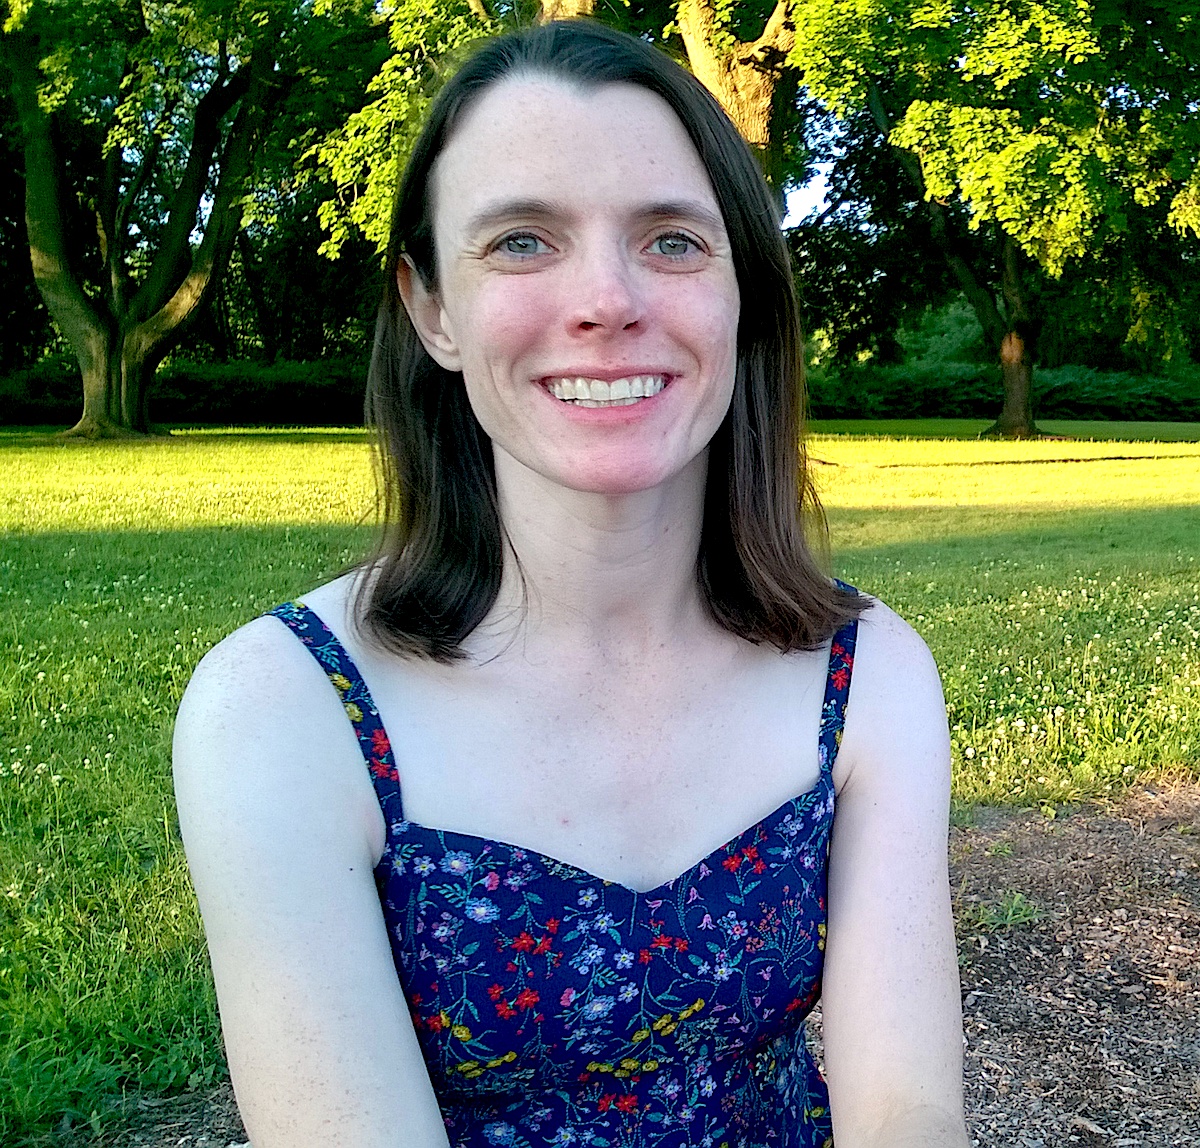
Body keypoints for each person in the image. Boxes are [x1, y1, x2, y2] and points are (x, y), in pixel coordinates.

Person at [174, 20, 968, 1148]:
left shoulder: (870, 669)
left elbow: (910, 1115)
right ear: (431, 308)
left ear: (743, 295)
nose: (606, 299)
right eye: (522, 241)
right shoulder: (279, 712)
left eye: (674, 242)